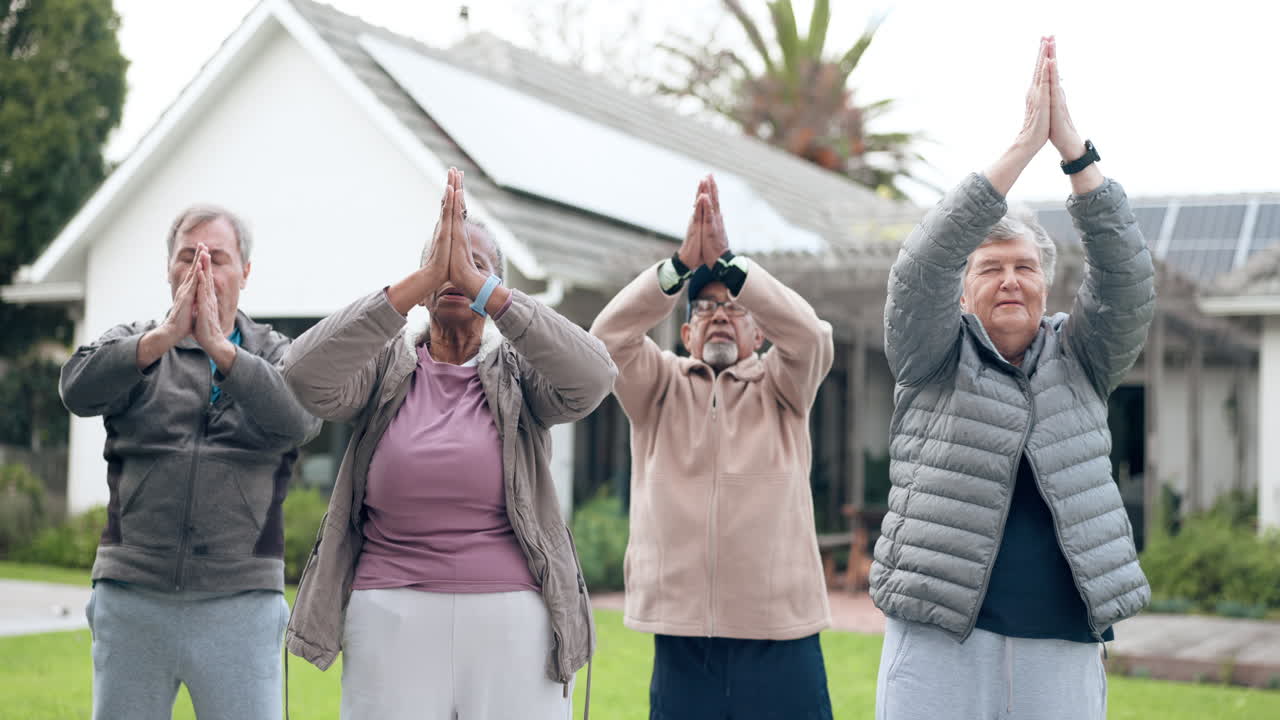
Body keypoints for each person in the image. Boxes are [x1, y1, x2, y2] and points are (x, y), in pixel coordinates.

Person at [871, 37, 1154, 720]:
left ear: (1046, 283)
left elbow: (1127, 280)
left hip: (1060, 643)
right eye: (989, 268)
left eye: (1024, 266)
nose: (1009, 280)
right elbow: (919, 270)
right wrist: (1022, 147)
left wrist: (1073, 154)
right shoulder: (930, 354)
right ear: (964, 292)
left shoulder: (1085, 355)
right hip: (938, 638)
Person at [282, 168, 616, 719]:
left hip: (513, 621)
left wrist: (482, 288)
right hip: (390, 614)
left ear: (497, 289)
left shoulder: (522, 376)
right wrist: (422, 281)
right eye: (446, 263)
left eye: (476, 265)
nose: (458, 274)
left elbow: (595, 376)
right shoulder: (383, 370)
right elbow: (303, 372)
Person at [60, 205, 322, 720]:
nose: (201, 269)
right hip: (132, 596)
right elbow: (75, 389)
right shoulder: (133, 344)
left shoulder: (277, 354)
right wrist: (160, 340)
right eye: (188, 256)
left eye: (218, 258)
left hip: (241, 602)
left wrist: (222, 351)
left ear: (246, 272)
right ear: (168, 269)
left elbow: (301, 419)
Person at [590, 175, 836, 719]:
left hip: (781, 635)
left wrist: (732, 267)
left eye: (734, 308)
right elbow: (605, 339)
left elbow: (812, 336)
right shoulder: (657, 385)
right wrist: (678, 268)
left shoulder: (785, 386)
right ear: (685, 334)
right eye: (702, 309)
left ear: (759, 334)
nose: (720, 314)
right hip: (683, 640)